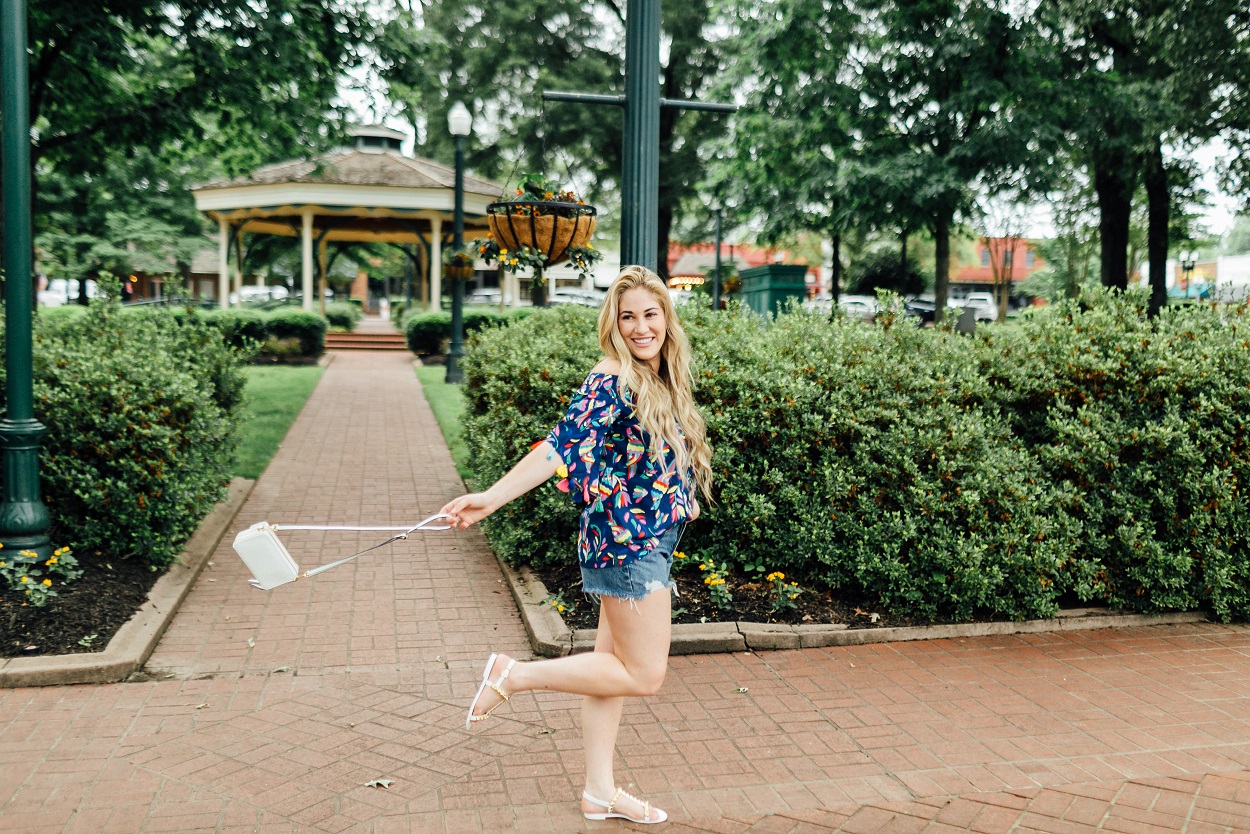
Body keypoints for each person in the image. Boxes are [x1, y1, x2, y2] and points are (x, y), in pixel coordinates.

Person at [441, 265, 714, 825]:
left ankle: (599, 792)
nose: (641, 327)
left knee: (608, 668)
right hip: (628, 547)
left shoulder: (660, 375)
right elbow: (559, 448)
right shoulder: (613, 375)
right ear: (613, 325)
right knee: (644, 675)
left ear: (667, 316)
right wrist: (492, 497)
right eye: (628, 317)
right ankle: (513, 675)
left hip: (643, 542)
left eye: (650, 313)